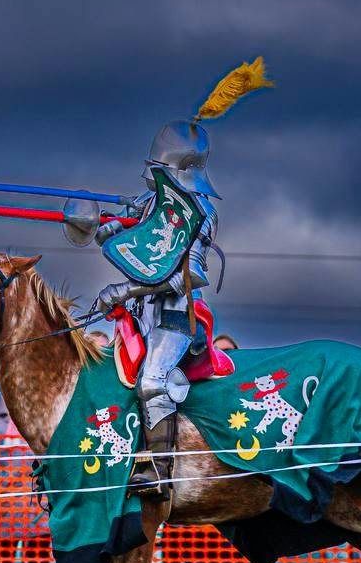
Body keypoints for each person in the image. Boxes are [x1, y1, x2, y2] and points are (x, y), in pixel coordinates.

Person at [89, 58, 271, 498]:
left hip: (174, 318)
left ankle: (158, 472)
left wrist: (122, 289)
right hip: (140, 316)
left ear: (177, 166)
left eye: (159, 165)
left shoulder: (198, 214)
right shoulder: (152, 203)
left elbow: (187, 277)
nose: (150, 172)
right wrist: (102, 226)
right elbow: (132, 240)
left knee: (153, 381)